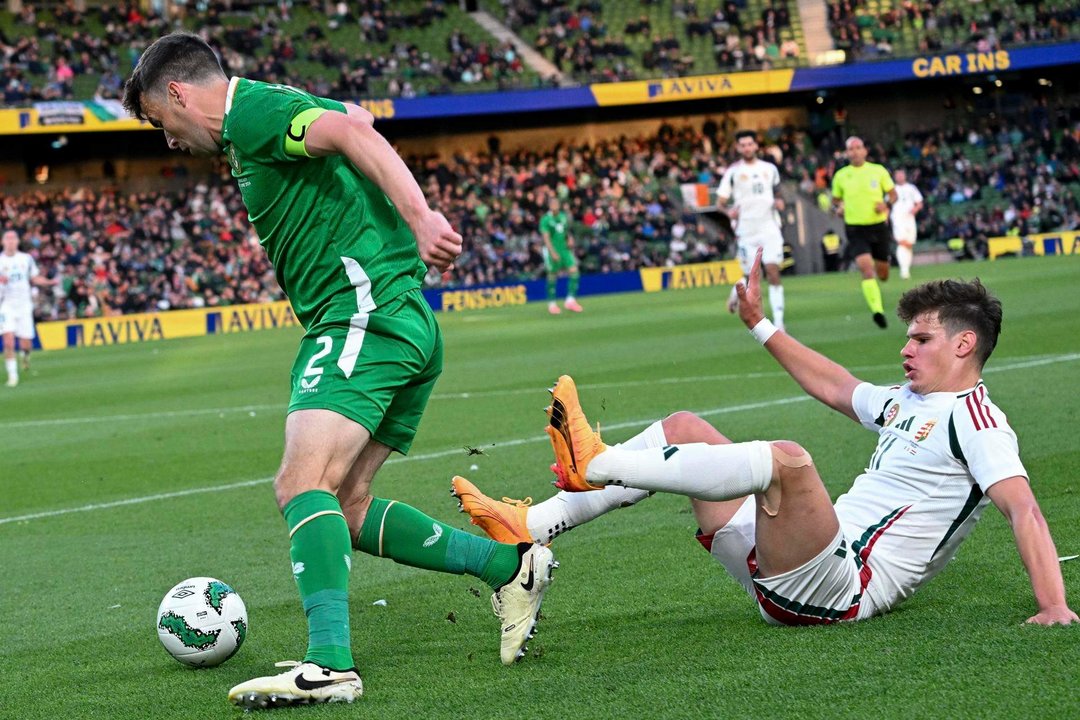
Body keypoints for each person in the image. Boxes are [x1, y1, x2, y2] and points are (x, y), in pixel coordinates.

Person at [123, 32, 557, 709]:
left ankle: (330, 664)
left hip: (363, 315)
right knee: (346, 506)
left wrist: (420, 218)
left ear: (178, 93)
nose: (169, 141)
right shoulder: (255, 126)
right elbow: (352, 123)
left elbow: (358, 138)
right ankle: (510, 565)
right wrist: (351, 122)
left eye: (160, 121)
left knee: (301, 482)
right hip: (393, 318)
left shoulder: (252, 113)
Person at [453, 248, 1077, 628]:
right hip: (787, 568)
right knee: (684, 428)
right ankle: (531, 524)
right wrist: (758, 322)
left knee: (789, 462)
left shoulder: (977, 419)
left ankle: (602, 462)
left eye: (921, 339)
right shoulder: (906, 400)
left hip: (843, 589)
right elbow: (833, 385)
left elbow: (1022, 506)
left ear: (964, 345)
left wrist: (1053, 604)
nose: (906, 348)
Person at [716, 130, 786, 330]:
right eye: (743, 145)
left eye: (750, 144)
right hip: (746, 229)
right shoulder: (733, 172)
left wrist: (780, 201)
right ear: (738, 148)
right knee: (751, 276)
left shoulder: (770, 169)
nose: (747, 147)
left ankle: (779, 322)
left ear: (756, 146)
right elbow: (720, 202)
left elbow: (778, 192)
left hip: (769, 226)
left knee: (772, 271)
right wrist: (728, 211)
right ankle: (735, 292)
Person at [832, 136, 898, 329]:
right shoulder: (841, 175)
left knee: (883, 273)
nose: (854, 151)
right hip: (855, 228)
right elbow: (836, 199)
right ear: (846, 153)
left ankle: (879, 280)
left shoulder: (878, 171)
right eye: (850, 149)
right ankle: (877, 310)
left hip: (877, 226)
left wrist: (885, 204)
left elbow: (894, 195)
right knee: (866, 269)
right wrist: (840, 206)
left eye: (858, 147)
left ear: (865, 150)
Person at [0, 229, 58, 387]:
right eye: (8, 239)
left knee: (26, 344)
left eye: (13, 239)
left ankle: (25, 356)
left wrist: (49, 282)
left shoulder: (26, 259)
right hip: (6, 305)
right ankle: (12, 375)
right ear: (3, 242)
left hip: (24, 305)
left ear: (18, 242)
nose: (11, 242)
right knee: (8, 340)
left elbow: (34, 278)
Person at [539, 196, 582, 314]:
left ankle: (570, 300)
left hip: (564, 249)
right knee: (552, 275)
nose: (555, 206)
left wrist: (570, 239)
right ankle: (552, 304)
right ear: (549, 206)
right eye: (553, 204)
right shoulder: (545, 219)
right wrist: (552, 252)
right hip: (552, 249)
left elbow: (566, 231)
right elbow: (546, 237)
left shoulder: (563, 216)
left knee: (574, 271)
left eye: (556, 204)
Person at [891, 168, 924, 280]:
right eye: (897, 175)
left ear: (904, 175)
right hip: (897, 218)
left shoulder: (911, 188)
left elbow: (919, 202)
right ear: (895, 177)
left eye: (901, 174)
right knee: (901, 242)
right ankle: (903, 270)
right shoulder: (892, 189)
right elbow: (887, 204)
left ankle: (906, 269)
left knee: (909, 244)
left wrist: (915, 209)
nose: (899, 176)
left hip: (909, 218)